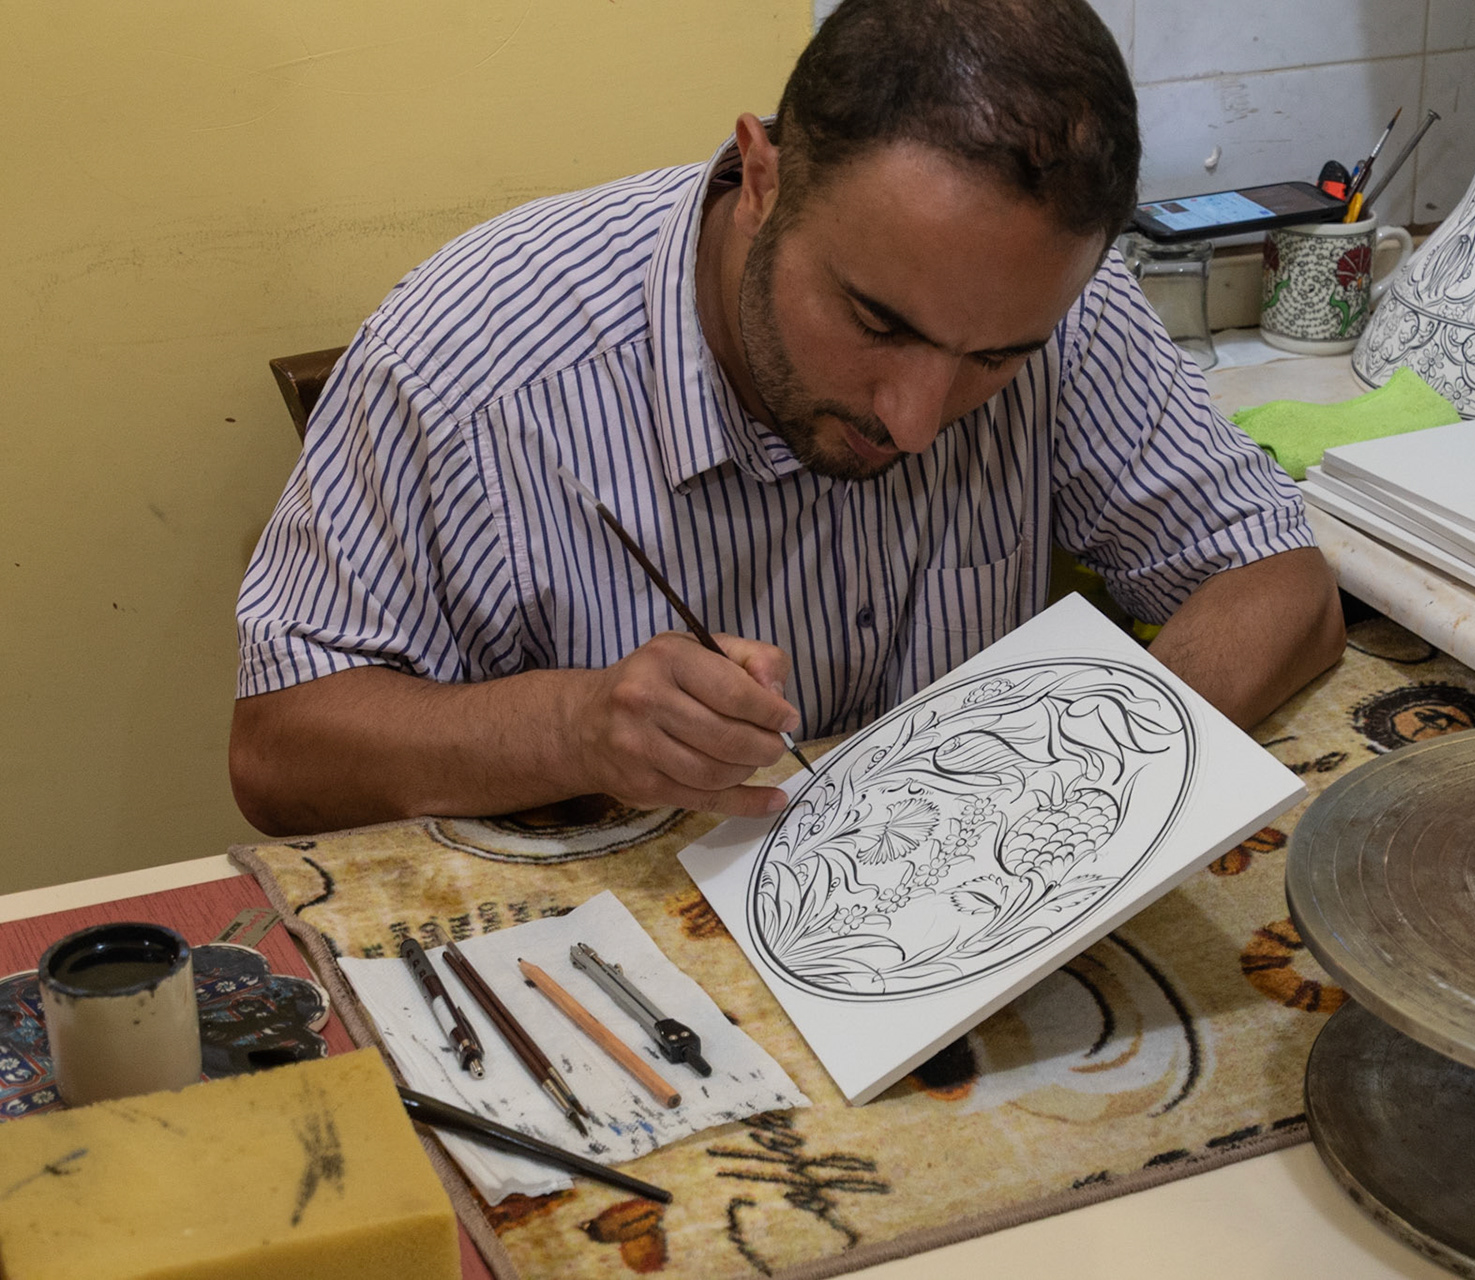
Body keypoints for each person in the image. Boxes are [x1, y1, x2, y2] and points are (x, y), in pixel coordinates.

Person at [229, 0, 1345, 836]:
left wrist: (1091, 777)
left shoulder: (1055, 302)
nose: (916, 421)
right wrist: (573, 726)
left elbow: (1278, 582)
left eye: (995, 360)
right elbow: (279, 752)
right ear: (761, 176)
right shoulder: (474, 356)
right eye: (875, 320)